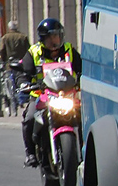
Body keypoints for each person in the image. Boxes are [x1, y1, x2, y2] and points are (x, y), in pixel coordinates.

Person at [20, 18, 81, 168]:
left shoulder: (69, 50)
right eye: (50, 37)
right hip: (41, 96)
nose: (54, 41)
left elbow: (81, 67)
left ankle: (86, 151)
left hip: (67, 95)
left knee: (84, 116)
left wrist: (82, 78)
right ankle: (30, 154)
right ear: (43, 39)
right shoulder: (34, 52)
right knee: (29, 118)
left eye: (56, 36)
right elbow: (23, 71)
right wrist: (23, 82)